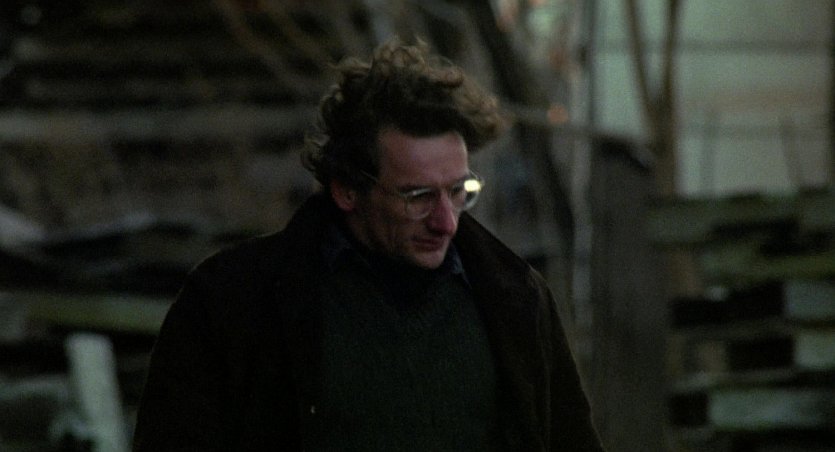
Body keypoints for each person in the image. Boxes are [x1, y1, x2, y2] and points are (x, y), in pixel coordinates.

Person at [132, 38, 603, 452]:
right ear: (347, 190)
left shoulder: (514, 300)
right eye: (418, 197)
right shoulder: (234, 304)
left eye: (460, 191)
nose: (446, 222)